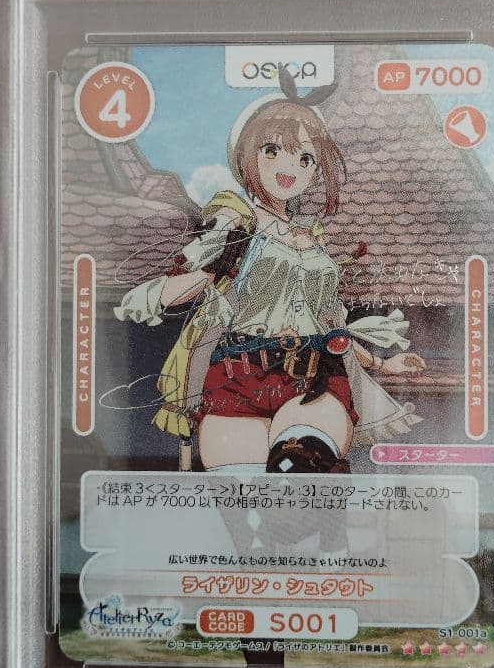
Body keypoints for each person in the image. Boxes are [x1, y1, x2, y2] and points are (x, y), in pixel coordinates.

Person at [115, 78, 424, 474]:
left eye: (305, 158)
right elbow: (201, 280)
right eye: (273, 150)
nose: (289, 167)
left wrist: (380, 363)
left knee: (302, 465)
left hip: (313, 376)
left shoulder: (312, 239)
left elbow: (330, 323)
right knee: (241, 491)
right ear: (248, 155)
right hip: (238, 373)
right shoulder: (236, 223)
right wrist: (165, 291)